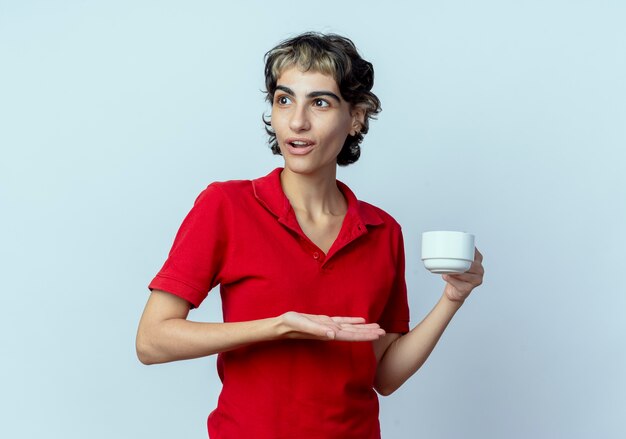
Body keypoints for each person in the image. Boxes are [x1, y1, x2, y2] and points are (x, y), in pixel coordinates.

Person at [136, 32, 484, 439]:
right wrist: (279, 327)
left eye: (320, 102)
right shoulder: (225, 206)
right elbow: (152, 340)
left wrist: (452, 299)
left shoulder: (382, 231)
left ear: (356, 117)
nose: (297, 121)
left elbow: (383, 375)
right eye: (284, 100)